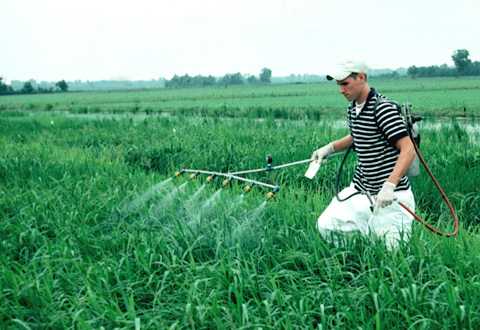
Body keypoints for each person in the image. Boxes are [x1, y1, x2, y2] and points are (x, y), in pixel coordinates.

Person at [310, 56, 416, 249]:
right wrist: (330, 148)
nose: (341, 90)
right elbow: (356, 135)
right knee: (326, 226)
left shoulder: (382, 108)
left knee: (390, 256)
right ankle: (354, 264)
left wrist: (390, 185)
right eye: (339, 85)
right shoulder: (353, 109)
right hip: (360, 189)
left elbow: (408, 149)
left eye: (345, 84)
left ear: (361, 77)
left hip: (389, 197)